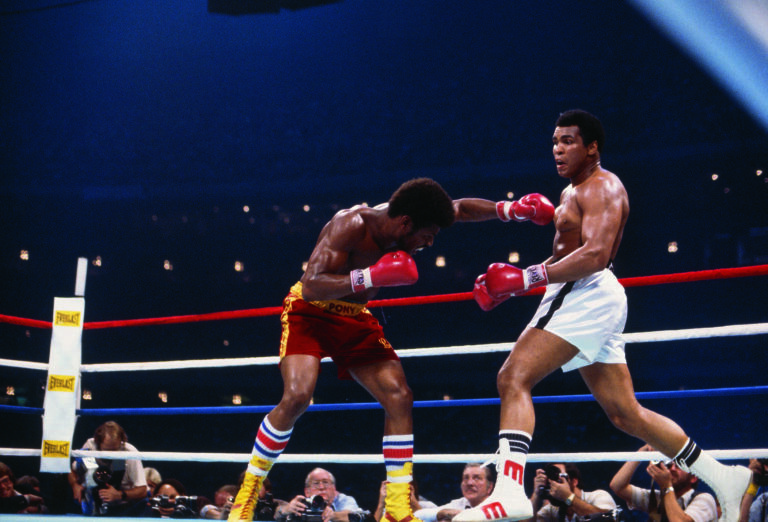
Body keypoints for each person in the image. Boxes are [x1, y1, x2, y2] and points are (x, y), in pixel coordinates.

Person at [454, 109, 752, 522]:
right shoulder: (571, 192)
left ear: (592, 147)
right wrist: (520, 284)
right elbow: (567, 255)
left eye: (568, 141)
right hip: (585, 293)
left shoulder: (604, 186)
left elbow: (596, 255)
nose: (557, 149)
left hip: (588, 292)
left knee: (513, 376)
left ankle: (509, 491)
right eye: (555, 141)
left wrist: (524, 278)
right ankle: (723, 476)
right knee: (624, 413)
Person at [228, 177, 555, 522]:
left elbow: (459, 207)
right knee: (296, 396)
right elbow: (312, 286)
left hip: (353, 317)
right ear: (405, 223)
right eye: (426, 236)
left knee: (399, 396)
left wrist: (510, 210)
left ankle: (397, 509)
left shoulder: (415, 217)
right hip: (309, 314)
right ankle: (247, 494)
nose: (428, 244)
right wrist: (369, 277)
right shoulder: (351, 224)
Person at [610, 444, 717, 522]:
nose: (673, 469)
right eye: (670, 465)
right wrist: (642, 452)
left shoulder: (705, 499)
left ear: (693, 478)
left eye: (680, 466)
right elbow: (617, 486)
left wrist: (666, 486)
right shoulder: (658, 498)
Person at [68, 420, 148, 516]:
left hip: (123, 508)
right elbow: (72, 470)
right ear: (98, 443)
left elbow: (143, 490)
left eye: (115, 450)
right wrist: (75, 485)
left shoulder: (129, 452)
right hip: (94, 502)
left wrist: (120, 495)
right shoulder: (90, 446)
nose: (111, 455)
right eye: (107, 451)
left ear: (121, 443)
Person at [528, 462, 615, 522]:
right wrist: (536, 495)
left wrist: (568, 497)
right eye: (551, 478)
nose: (554, 483)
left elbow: (609, 520)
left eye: (558, 477)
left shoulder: (598, 496)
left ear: (574, 481)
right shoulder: (552, 510)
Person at [414, 463, 495, 522]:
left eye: (477, 478)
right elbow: (418, 515)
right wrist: (440, 513)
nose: (470, 483)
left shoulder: (499, 505)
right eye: (465, 478)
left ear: (490, 487)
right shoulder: (458, 504)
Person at [275, 468, 363, 522]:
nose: (321, 487)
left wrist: (333, 516)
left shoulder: (343, 500)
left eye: (325, 482)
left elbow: (353, 516)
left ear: (334, 488)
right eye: (316, 484)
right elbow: (276, 512)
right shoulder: (301, 503)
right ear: (307, 491)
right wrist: (285, 509)